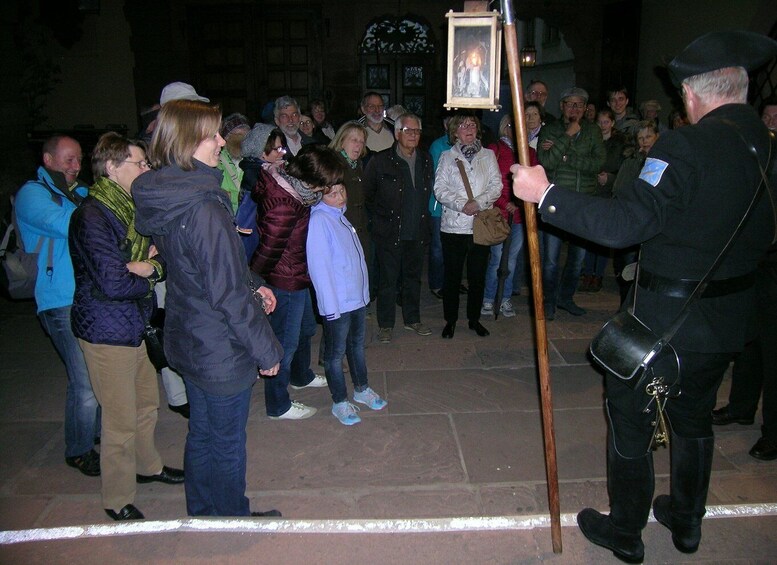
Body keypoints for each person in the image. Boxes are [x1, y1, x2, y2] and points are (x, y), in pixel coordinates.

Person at [512, 31, 777, 562]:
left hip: (664, 323)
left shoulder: (686, 144)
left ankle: (627, 531)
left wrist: (547, 196)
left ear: (692, 96)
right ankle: (685, 521)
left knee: (631, 420)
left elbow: (625, 224)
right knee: (694, 419)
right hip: (727, 324)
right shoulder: (769, 149)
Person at [133, 99, 283, 517]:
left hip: (190, 334)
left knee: (201, 433)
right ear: (188, 141)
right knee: (226, 442)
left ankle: (202, 511)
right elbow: (227, 296)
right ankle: (231, 521)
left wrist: (254, 282)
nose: (221, 140)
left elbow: (204, 266)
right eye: (213, 134)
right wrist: (266, 349)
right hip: (219, 345)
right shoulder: (202, 207)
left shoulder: (172, 193)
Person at [69, 132, 183, 521]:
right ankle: (116, 498)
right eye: (141, 163)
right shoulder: (92, 216)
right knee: (119, 420)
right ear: (113, 167)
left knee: (147, 405)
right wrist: (149, 271)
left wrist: (147, 267)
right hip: (105, 329)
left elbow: (161, 256)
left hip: (134, 322)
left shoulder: (131, 209)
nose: (147, 169)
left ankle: (148, 467)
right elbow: (113, 282)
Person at [14, 135, 101, 477]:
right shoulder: (33, 193)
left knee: (95, 374)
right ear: (48, 160)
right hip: (59, 298)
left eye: (79, 159)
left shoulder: (78, 192)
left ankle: (93, 435)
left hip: (88, 295)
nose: (75, 166)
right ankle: (79, 449)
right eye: (68, 160)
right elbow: (69, 224)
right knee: (83, 380)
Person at [250, 144, 342, 420]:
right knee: (284, 344)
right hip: (283, 280)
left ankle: (300, 376)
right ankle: (278, 405)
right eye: (326, 184)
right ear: (314, 180)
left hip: (297, 273)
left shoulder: (297, 194)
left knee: (304, 329)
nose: (327, 189)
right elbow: (269, 249)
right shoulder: (286, 204)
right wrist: (255, 282)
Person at [711, 98, 777, 462]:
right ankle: (740, 406)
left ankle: (774, 432)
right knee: (748, 342)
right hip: (754, 267)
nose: (769, 124)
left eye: (775, 119)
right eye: (765, 118)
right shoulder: (755, 160)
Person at [307, 180, 388, 425]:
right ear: (319, 196)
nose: (340, 196)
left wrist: (364, 294)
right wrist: (330, 308)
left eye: (342, 191)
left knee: (356, 347)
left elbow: (355, 260)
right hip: (338, 304)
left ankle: (361, 389)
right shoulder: (320, 220)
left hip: (355, 300)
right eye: (332, 194)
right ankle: (340, 401)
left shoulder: (341, 216)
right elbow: (320, 269)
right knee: (335, 355)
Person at [537, 86, 606, 319]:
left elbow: (597, 164)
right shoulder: (551, 130)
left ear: (585, 108)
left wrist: (565, 154)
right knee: (550, 260)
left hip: (583, 202)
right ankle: (548, 302)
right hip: (557, 201)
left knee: (577, 260)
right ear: (561, 106)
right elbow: (546, 162)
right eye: (569, 103)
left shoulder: (593, 132)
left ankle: (566, 298)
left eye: (579, 104)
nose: (574, 108)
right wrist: (567, 136)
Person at [364, 113, 434, 343]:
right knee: (388, 280)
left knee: (413, 278)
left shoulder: (425, 159)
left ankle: (412, 319)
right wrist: (380, 221)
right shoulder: (380, 161)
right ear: (397, 133)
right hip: (389, 232)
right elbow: (368, 195)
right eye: (408, 130)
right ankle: (385, 324)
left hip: (416, 230)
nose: (413, 135)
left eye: (417, 131)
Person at [434, 113, 501, 339]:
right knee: (452, 276)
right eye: (463, 125)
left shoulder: (489, 155)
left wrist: (478, 203)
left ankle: (474, 319)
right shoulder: (446, 156)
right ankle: (450, 320)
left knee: (477, 276)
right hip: (454, 227)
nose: (469, 128)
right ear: (455, 132)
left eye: (472, 124)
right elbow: (440, 189)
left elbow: (496, 185)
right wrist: (463, 204)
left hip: (480, 226)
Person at [481, 114, 530, 318]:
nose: (514, 129)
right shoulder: (495, 150)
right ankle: (489, 298)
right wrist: (504, 203)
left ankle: (506, 297)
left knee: (511, 260)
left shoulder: (527, 151)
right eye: (511, 125)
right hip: (498, 215)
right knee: (497, 259)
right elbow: (490, 181)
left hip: (518, 216)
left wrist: (519, 204)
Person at [611, 120, 661, 303]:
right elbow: (619, 190)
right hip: (632, 221)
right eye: (641, 138)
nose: (644, 141)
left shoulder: (663, 161)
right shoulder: (631, 162)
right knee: (625, 267)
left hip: (653, 223)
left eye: (648, 136)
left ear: (657, 137)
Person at [579, 108, 626, 293]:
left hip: (609, 194)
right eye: (600, 122)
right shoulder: (592, 141)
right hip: (592, 191)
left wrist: (610, 178)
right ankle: (588, 273)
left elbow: (623, 169)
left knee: (603, 238)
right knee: (590, 236)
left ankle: (598, 274)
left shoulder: (619, 144)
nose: (603, 126)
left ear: (612, 123)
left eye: (607, 122)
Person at [329, 121, 371, 274]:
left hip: (359, 232)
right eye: (354, 140)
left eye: (362, 141)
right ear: (341, 141)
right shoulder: (333, 166)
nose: (358, 145)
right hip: (341, 233)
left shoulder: (358, 165)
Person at [428, 114, 455, 300]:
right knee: (438, 247)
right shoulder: (438, 146)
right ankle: (437, 283)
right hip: (439, 205)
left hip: (458, 207)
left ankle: (452, 281)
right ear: (445, 124)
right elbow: (435, 176)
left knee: (454, 246)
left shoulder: (465, 144)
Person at [217, 112, 251, 214]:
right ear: (226, 137)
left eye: (247, 133)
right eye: (238, 134)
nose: (243, 139)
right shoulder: (216, 162)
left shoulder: (255, 160)